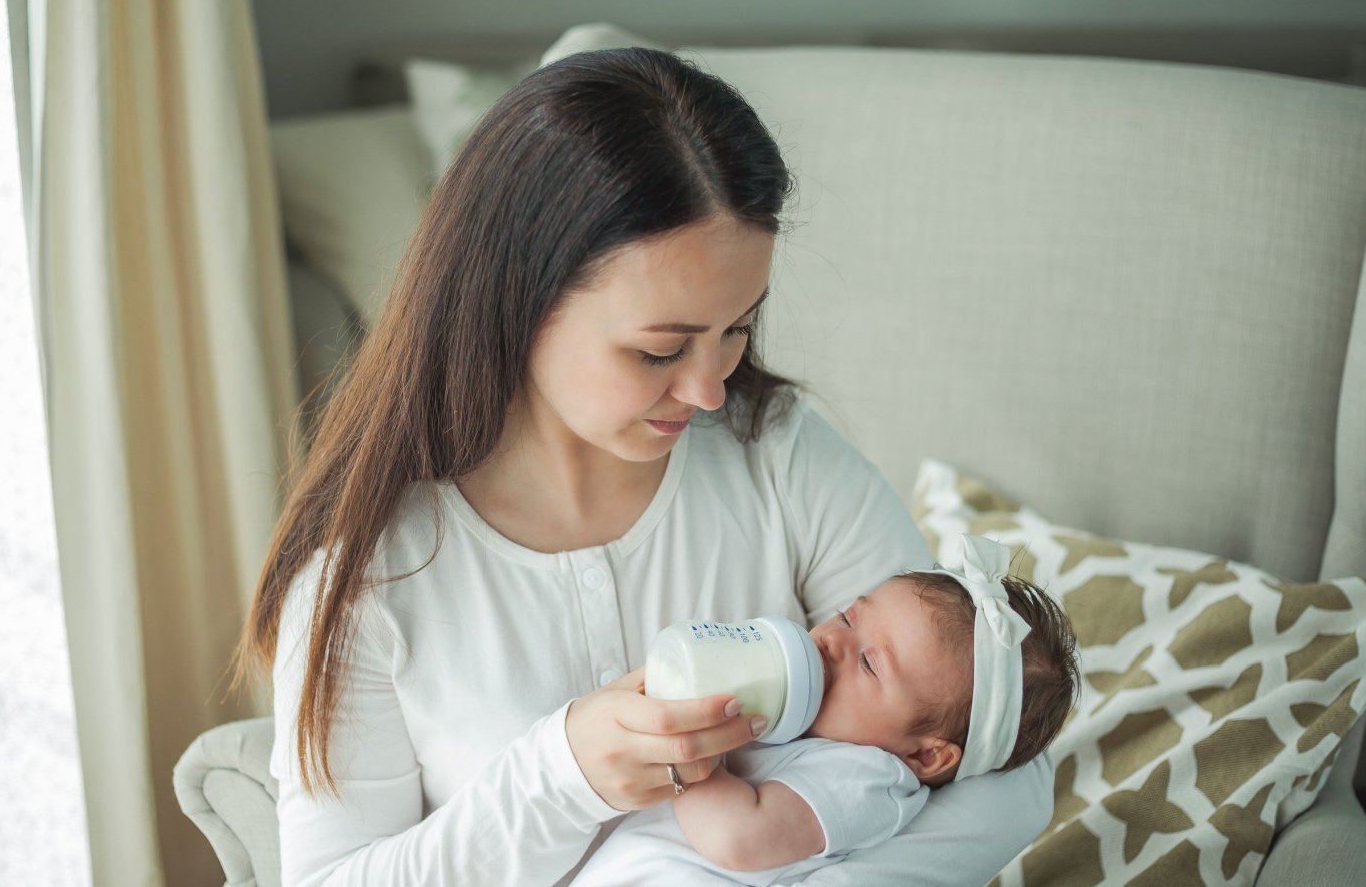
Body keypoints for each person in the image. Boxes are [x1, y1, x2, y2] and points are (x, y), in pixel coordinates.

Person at [238, 46, 1054, 887]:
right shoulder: (372, 582)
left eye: (736, 329)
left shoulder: (776, 456)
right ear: (521, 297)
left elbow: (1003, 761)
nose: (709, 391)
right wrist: (561, 778)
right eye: (660, 348)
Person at [571, 535, 1081, 885]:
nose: (832, 641)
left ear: (926, 756)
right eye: (848, 615)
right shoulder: (799, 716)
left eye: (869, 664)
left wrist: (689, 746)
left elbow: (738, 838)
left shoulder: (869, 777)